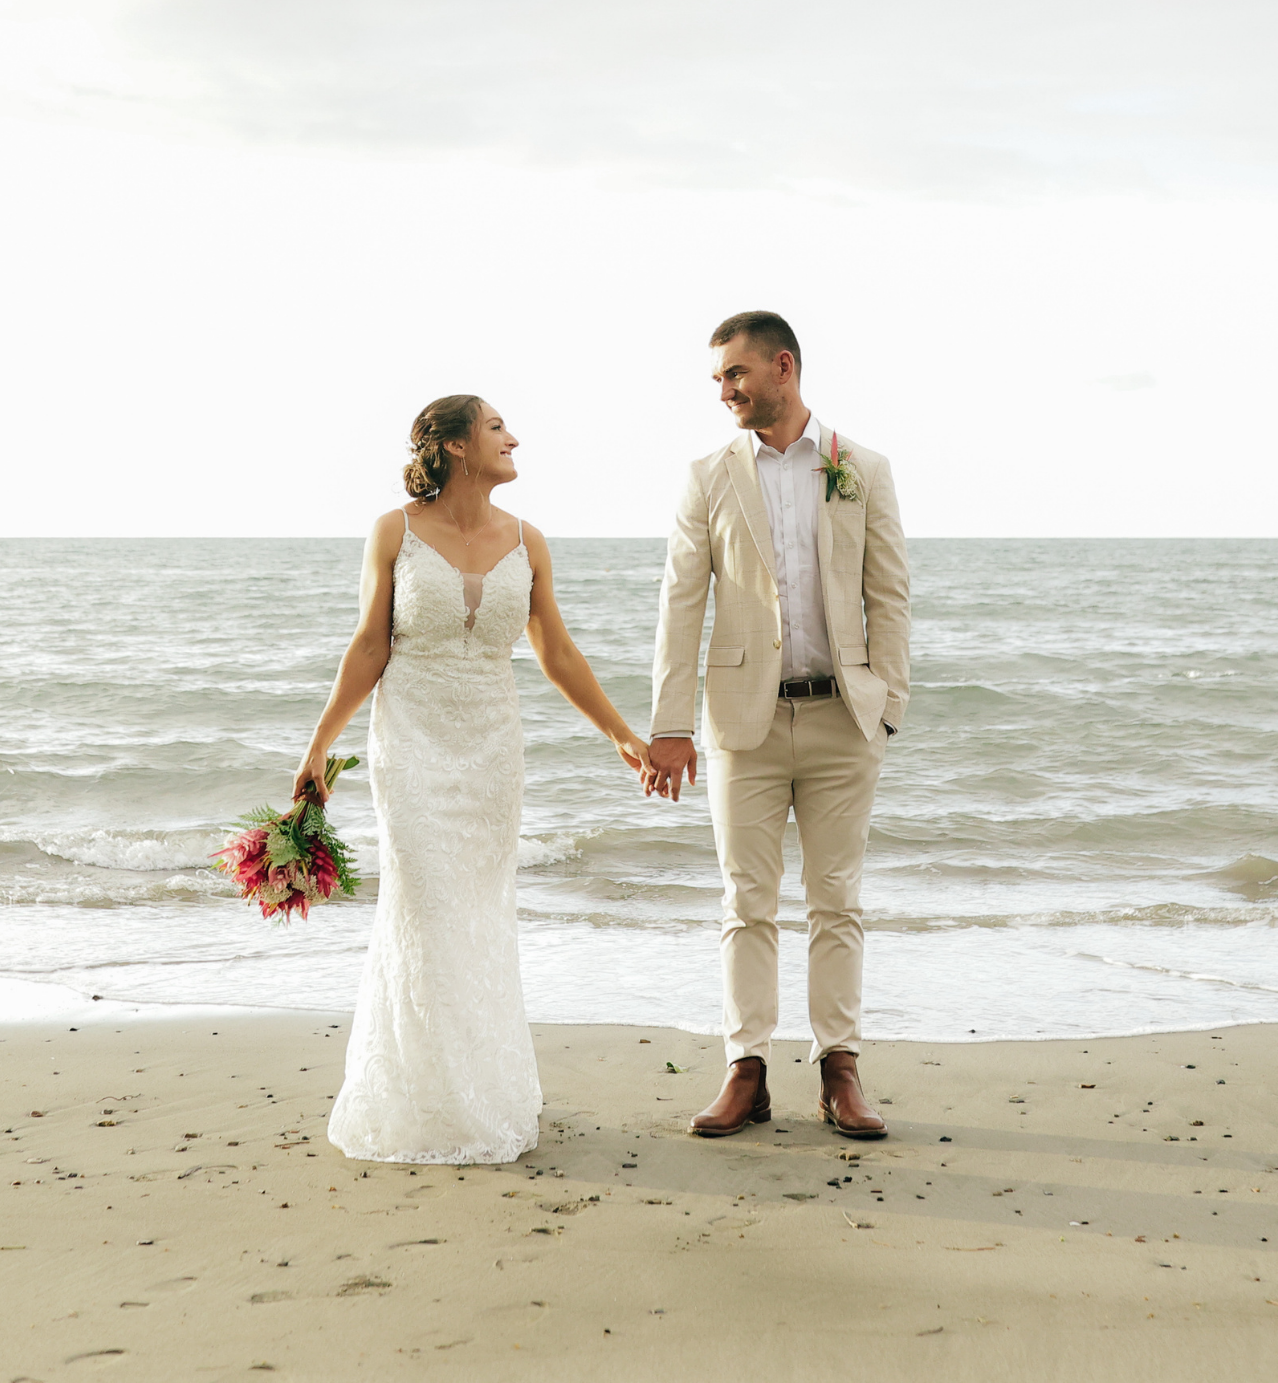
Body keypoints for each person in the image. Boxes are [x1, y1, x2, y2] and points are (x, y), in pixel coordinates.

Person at [299, 395, 651, 1164]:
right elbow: (369, 645)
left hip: (492, 753)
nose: (512, 437)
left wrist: (622, 733)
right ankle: (424, 1100)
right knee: (425, 910)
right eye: (497, 428)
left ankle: (483, 1093)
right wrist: (320, 742)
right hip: (411, 748)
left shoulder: (528, 541)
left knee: (479, 917)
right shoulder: (393, 531)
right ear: (457, 446)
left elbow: (557, 651)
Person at [642, 312, 911, 1140]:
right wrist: (670, 724)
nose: (725, 390)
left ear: (782, 367)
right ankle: (746, 1069)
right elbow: (681, 603)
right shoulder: (708, 476)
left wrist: (888, 705)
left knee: (837, 898)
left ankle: (840, 1069)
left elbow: (889, 593)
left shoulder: (861, 468)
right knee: (746, 899)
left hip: (843, 719)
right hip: (741, 724)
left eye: (736, 373)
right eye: (719, 378)